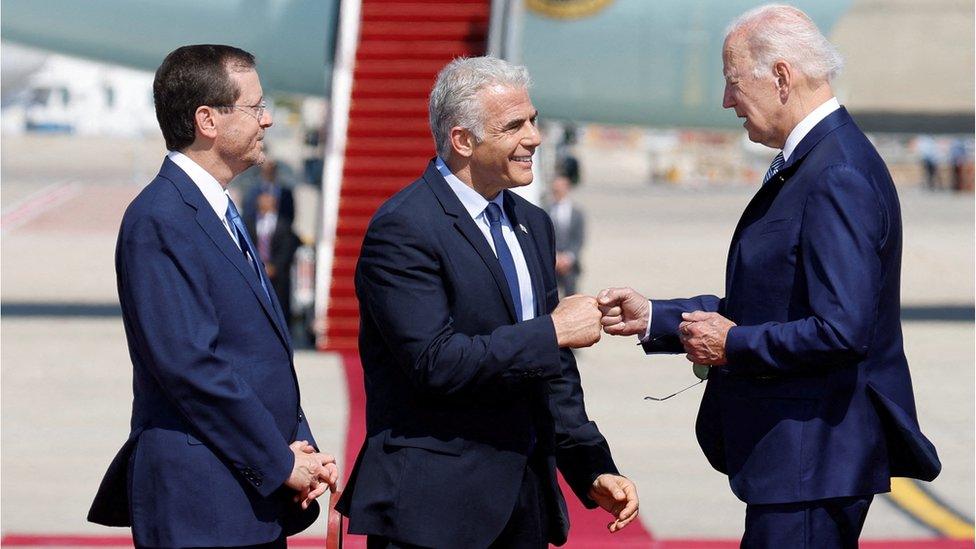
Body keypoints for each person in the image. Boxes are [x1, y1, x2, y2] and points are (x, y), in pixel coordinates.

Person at [598, 6, 940, 547]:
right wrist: (656, 318)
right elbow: (775, 301)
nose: (727, 101)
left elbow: (841, 329)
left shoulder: (836, 174)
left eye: (733, 83)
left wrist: (732, 345)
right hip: (799, 462)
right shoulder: (818, 160)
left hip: (812, 460)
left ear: (781, 77)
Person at [336, 57, 638, 548]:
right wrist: (554, 330)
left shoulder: (533, 224)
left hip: (524, 506)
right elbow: (435, 362)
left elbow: (552, 371)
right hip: (433, 514)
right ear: (462, 141)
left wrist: (591, 467)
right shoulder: (405, 228)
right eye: (515, 125)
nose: (535, 138)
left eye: (533, 120)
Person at [87, 45, 338, 548]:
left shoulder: (215, 210)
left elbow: (256, 352)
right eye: (254, 106)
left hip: (248, 489)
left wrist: (300, 449)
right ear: (208, 120)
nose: (267, 119)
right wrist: (279, 460)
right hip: (202, 500)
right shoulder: (161, 218)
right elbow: (190, 364)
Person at [248, 190, 301, 326]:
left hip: (278, 277)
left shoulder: (283, 224)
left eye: (267, 198)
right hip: (254, 273)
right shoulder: (249, 222)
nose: (264, 201)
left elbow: (287, 248)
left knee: (279, 308)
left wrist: (274, 267)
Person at [547, 174, 585, 296]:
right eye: (555, 189)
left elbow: (579, 239)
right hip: (552, 263)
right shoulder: (545, 211)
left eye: (560, 188)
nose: (557, 191)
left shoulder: (577, 213)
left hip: (570, 265)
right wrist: (555, 256)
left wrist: (568, 258)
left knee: (571, 295)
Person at [243, 159, 295, 231]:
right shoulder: (253, 192)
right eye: (267, 170)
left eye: (272, 170)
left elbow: (289, 215)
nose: (269, 172)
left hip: (279, 233)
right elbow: (248, 213)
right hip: (257, 232)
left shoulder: (286, 193)